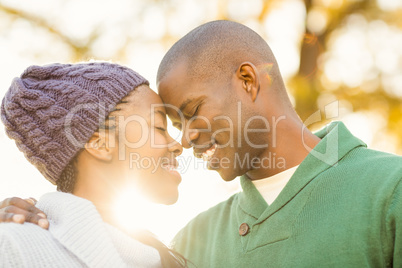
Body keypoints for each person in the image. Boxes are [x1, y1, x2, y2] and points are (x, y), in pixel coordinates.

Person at [2, 20, 402, 267]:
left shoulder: (389, 191)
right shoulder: (191, 243)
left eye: (192, 111)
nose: (185, 138)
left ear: (248, 80)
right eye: (169, 124)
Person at [0, 62, 187, 267]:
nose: (178, 145)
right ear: (100, 144)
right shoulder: (15, 247)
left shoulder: (161, 256)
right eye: (160, 127)